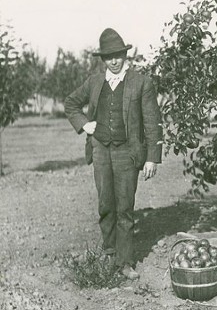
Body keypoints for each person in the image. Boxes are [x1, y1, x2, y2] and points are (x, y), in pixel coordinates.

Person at [65, 28, 162, 279]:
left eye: (118, 55)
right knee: (106, 205)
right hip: (100, 152)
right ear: (103, 59)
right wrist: (85, 124)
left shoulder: (141, 83)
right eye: (109, 57)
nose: (114, 61)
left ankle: (125, 262)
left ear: (125, 55)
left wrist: (152, 156)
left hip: (127, 153)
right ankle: (109, 255)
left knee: (125, 208)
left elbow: (152, 122)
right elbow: (71, 103)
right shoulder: (95, 81)